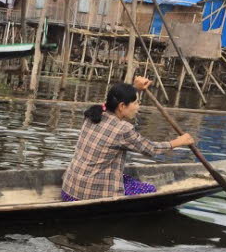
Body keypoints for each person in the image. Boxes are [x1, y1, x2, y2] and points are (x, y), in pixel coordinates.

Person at [61, 76, 194, 202]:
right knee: (149, 189)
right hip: (86, 195)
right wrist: (179, 142)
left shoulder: (94, 113)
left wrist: (135, 88)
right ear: (122, 106)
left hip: (68, 189)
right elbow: (151, 149)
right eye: (135, 103)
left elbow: (112, 100)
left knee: (128, 179)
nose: (138, 107)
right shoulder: (123, 129)